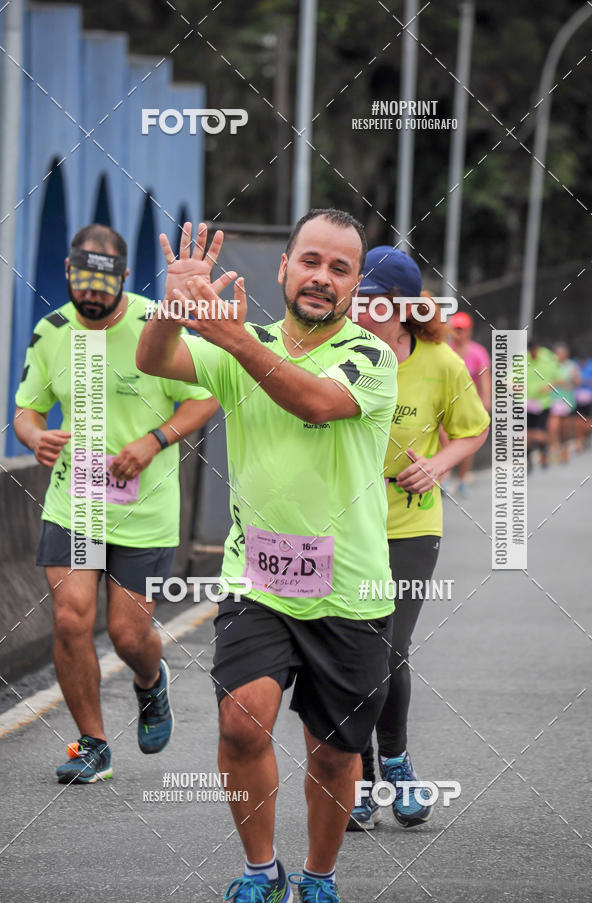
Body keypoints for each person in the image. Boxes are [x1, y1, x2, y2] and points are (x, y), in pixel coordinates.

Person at [136, 212, 399, 903]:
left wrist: (220, 329)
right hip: (259, 580)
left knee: (335, 752)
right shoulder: (241, 344)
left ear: (354, 288)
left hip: (352, 589)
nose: (322, 277)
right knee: (241, 717)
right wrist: (172, 305)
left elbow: (311, 401)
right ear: (283, 268)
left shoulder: (372, 358)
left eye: (340, 269)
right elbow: (155, 360)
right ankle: (261, 871)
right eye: (310, 261)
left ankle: (319, 875)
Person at [13, 224, 219, 784]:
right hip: (73, 503)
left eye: (104, 286)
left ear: (125, 279)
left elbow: (206, 399)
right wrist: (35, 438)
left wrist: (154, 441)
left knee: (129, 635)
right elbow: (27, 409)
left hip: (143, 511)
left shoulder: (156, 324)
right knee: (69, 619)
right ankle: (93, 742)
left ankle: (151, 683)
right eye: (83, 283)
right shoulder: (51, 331)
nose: (92, 297)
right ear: (67, 273)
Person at [347, 246, 490, 831]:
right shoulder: (336, 352)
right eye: (358, 301)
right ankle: (358, 779)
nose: (363, 313)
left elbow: (472, 431)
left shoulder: (440, 362)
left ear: (405, 308)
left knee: (388, 647)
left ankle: (398, 764)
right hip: (343, 525)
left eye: (376, 304)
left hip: (410, 524)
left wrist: (437, 464)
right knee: (351, 654)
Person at [447, 311, 492, 495]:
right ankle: (446, 476)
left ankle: (463, 478)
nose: (459, 333)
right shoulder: (445, 349)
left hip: (469, 404)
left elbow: (484, 379)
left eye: (462, 330)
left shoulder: (477, 352)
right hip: (447, 402)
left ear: (469, 330)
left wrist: (486, 400)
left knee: (465, 442)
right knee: (445, 440)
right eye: (456, 329)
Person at [526, 339, 561, 471]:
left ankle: (544, 453)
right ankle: (528, 459)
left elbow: (558, 378)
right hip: (527, 402)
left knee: (539, 433)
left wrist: (549, 386)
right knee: (527, 433)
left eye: (535, 351)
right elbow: (510, 377)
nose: (533, 353)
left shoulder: (549, 358)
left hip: (543, 403)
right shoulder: (523, 359)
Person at [547, 343, 580, 463]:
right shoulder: (550, 365)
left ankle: (565, 449)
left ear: (566, 354)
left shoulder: (571, 365)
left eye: (562, 353)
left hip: (566, 400)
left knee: (564, 428)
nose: (560, 356)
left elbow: (577, 382)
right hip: (553, 399)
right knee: (553, 426)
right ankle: (553, 450)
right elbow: (547, 382)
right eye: (558, 353)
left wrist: (571, 381)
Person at [572, 350, 592, 452]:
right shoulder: (574, 364)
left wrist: (588, 381)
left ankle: (587, 436)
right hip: (577, 397)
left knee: (588, 421)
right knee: (578, 420)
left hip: (590, 396)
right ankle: (580, 440)